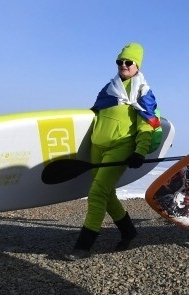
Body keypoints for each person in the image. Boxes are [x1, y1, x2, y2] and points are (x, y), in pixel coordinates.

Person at [65, 42, 161, 260]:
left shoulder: (143, 93)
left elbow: (146, 125)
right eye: (120, 61)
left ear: (137, 65)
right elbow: (94, 114)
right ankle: (128, 231)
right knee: (107, 194)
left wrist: (140, 151)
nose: (123, 65)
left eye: (129, 62)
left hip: (120, 147)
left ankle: (83, 246)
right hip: (97, 147)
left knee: (97, 193)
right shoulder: (109, 89)